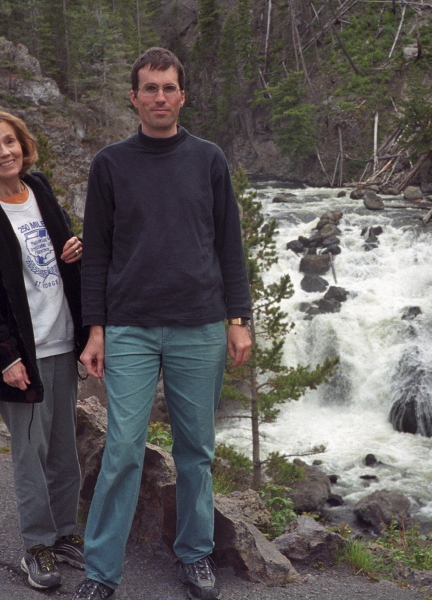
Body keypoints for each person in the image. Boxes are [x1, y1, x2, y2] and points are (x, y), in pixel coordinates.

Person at [73, 47, 252, 600]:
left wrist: (239, 319)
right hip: (128, 327)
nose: (158, 97)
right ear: (133, 98)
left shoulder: (208, 159)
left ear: (182, 96)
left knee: (195, 447)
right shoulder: (110, 164)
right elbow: (97, 252)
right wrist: (94, 328)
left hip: (199, 325)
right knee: (123, 448)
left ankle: (195, 556)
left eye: (168, 88)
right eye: (148, 88)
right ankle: (101, 572)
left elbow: (229, 244)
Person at [0, 109, 88, 590]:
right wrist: (5, 358)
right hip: (20, 354)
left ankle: (66, 532)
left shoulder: (40, 190)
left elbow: (60, 254)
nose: (4, 151)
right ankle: (37, 545)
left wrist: (75, 249)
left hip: (60, 340)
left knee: (63, 446)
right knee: (30, 450)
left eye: (10, 141)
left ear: (23, 145)